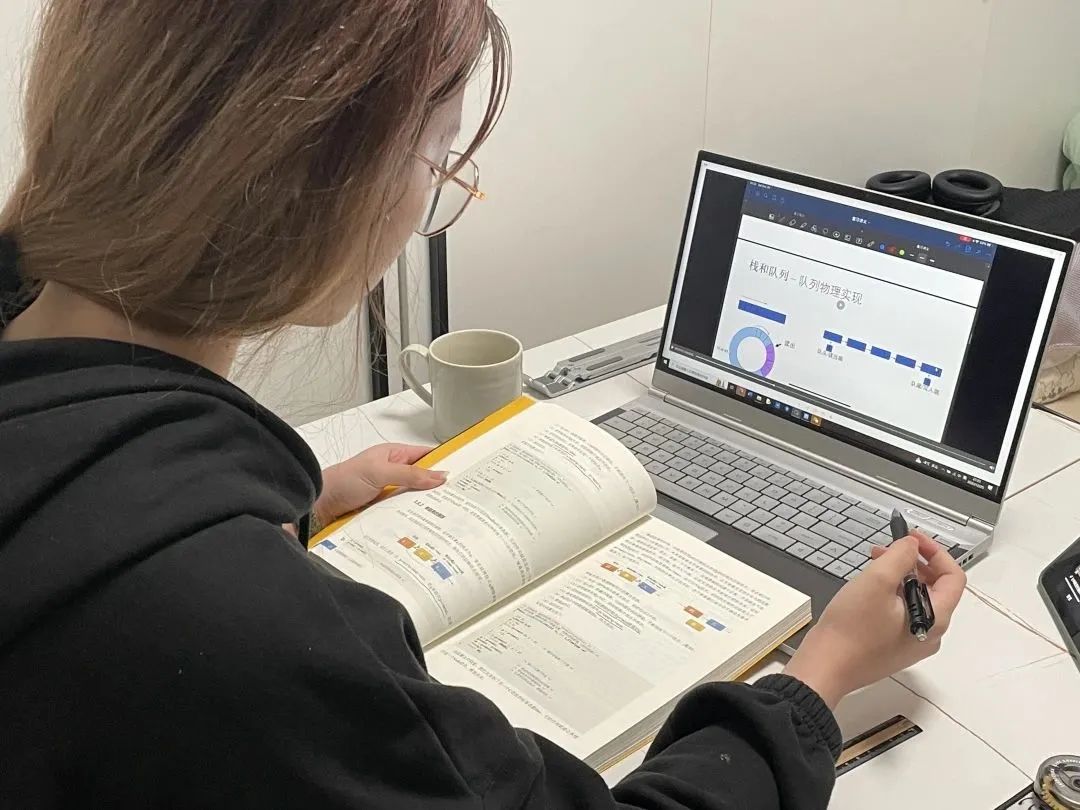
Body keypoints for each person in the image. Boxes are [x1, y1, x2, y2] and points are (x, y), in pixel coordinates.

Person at [0, 2, 966, 808]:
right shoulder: (240, 635)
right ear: (311, 184)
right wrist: (822, 675)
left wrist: (291, 502)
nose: (433, 196)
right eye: (438, 159)